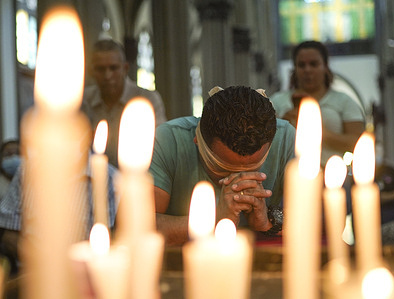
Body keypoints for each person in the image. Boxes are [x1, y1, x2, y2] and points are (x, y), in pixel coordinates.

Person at [150, 86, 296, 245]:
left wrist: (267, 221)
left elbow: (312, 215)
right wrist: (215, 218)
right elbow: (140, 225)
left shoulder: (286, 139)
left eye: (253, 170)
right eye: (223, 169)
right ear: (197, 140)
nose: (239, 182)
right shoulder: (168, 141)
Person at [0, 157, 118, 275]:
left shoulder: (108, 179)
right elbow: (9, 234)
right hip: (30, 277)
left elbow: (113, 245)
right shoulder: (29, 169)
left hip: (85, 279)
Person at [270, 40, 365, 167]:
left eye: (314, 64)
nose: (307, 70)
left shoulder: (344, 101)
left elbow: (358, 144)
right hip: (289, 172)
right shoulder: (277, 101)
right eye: (301, 65)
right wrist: (283, 126)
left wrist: (317, 131)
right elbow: (263, 141)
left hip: (331, 172)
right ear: (295, 69)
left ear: (325, 66)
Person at [82, 39, 167, 167]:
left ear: (125, 68)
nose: (107, 75)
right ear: (91, 71)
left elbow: (160, 147)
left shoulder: (146, 100)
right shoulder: (83, 101)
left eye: (113, 68)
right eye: (100, 69)